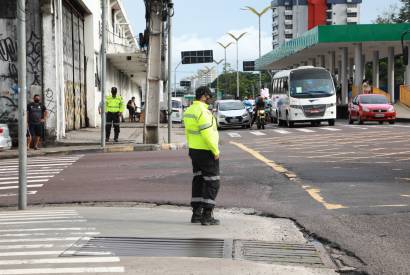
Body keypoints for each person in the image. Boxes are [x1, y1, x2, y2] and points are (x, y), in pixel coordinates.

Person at [183, 86, 220, 226]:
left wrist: (191, 148)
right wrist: (215, 151)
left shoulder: (189, 110)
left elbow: (188, 132)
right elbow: (207, 134)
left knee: (198, 180)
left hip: (194, 150)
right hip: (206, 151)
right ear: (204, 96)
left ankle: (196, 214)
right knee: (212, 182)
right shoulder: (203, 111)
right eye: (209, 96)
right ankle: (207, 216)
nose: (210, 99)